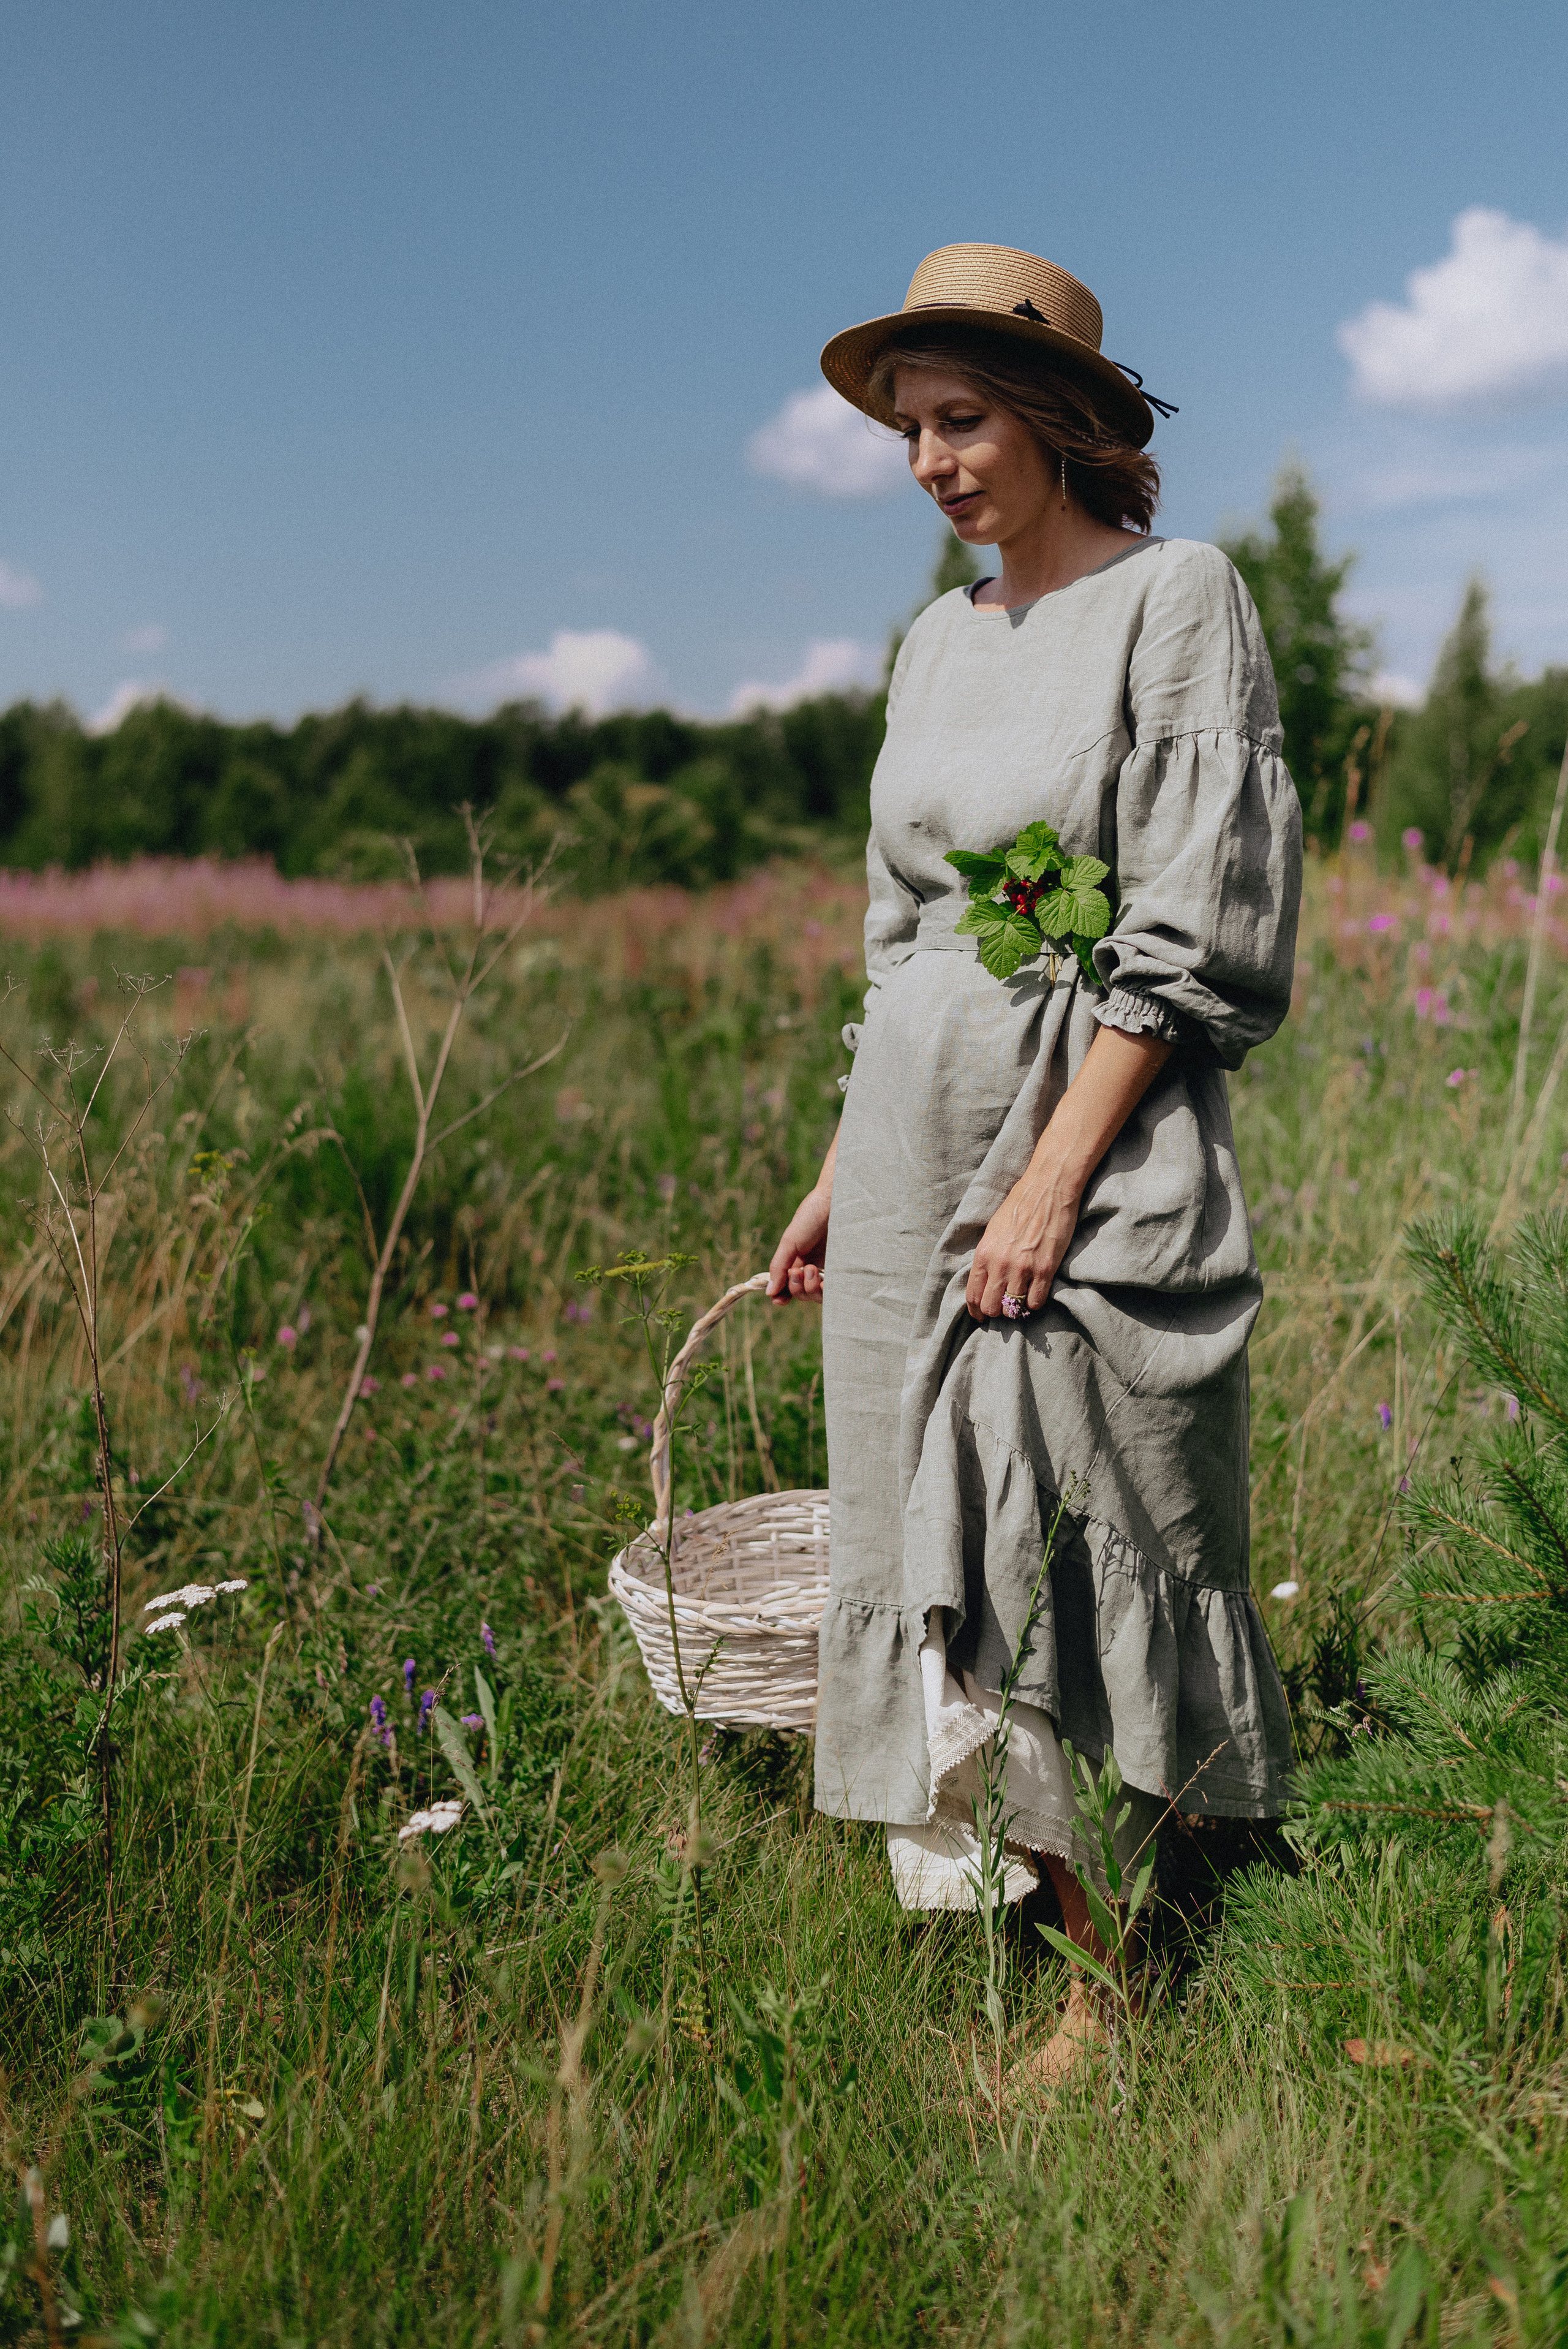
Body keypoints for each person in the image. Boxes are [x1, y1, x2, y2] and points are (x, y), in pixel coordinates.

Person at [766, 243, 1302, 2089]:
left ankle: (1119, 1975)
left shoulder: (1177, 602)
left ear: (1063, 420)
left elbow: (1197, 918)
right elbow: (899, 935)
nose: (931, 458)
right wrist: (844, 1169)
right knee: (937, 1527)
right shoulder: (936, 640)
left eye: (964, 417)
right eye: (913, 427)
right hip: (914, 1133)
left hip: (1081, 1121)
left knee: (1078, 1499)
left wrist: (1055, 1182)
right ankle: (1040, 1890)